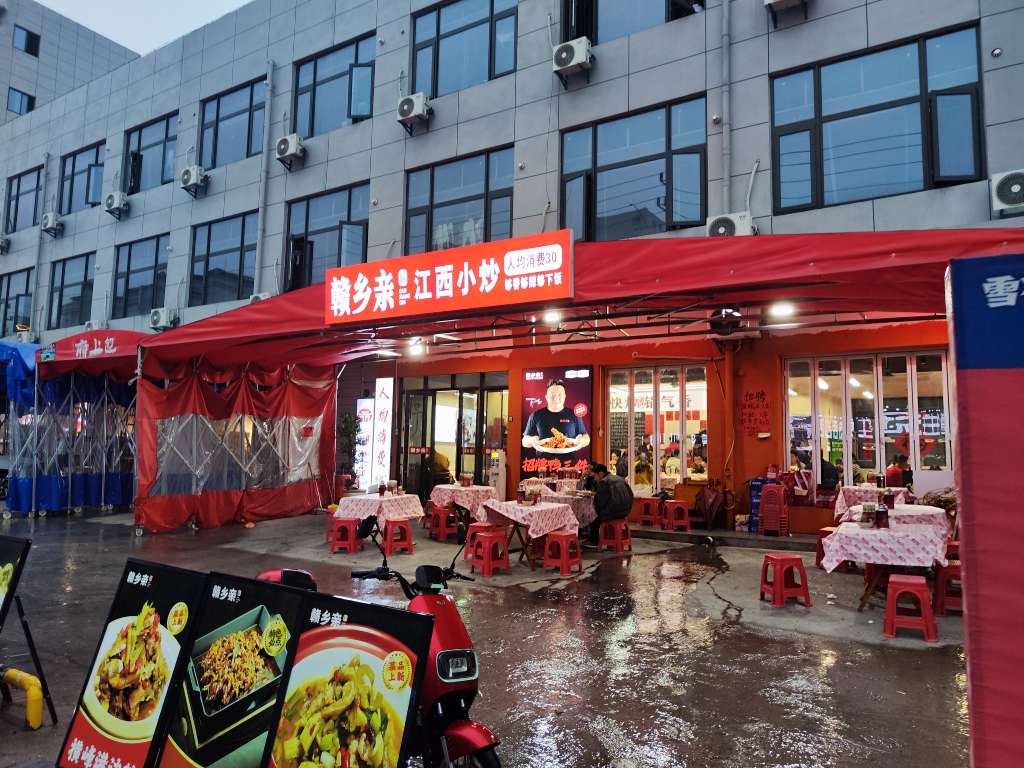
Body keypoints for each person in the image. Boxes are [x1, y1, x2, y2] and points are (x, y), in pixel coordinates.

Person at [522, 379, 591, 452]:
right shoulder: (535, 415)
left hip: (569, 458)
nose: (556, 398)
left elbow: (586, 437)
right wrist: (531, 440)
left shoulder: (574, 414)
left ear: (565, 396)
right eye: (552, 394)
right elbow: (524, 442)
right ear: (546, 397)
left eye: (560, 394)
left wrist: (581, 441)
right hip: (542, 458)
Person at [587, 463, 633, 544]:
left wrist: (598, 512)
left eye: (595, 476)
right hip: (626, 511)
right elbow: (631, 495)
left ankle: (594, 542)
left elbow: (600, 502)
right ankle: (607, 538)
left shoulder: (604, 482)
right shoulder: (620, 478)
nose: (595, 479)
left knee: (593, 516)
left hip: (614, 513)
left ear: (600, 473)